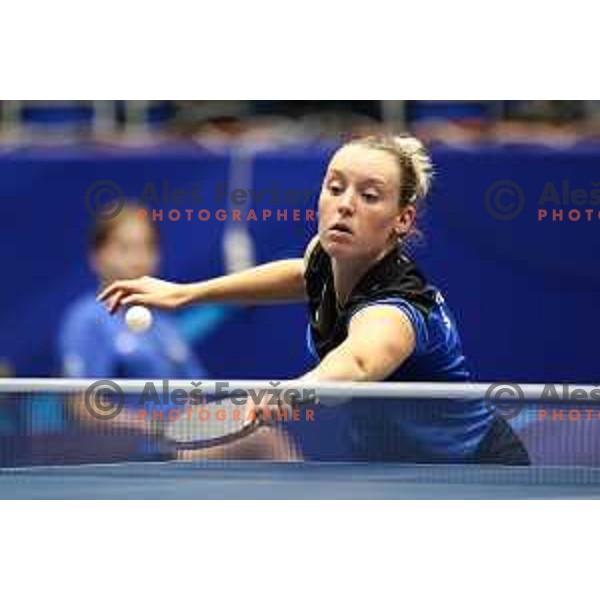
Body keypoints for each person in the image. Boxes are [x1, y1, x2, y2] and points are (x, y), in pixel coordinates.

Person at [98, 136, 529, 464]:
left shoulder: (396, 311)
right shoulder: (326, 255)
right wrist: (187, 293)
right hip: (390, 465)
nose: (345, 206)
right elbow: (302, 274)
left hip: (472, 469)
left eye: (370, 195)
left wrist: (290, 393)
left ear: (403, 219)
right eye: (335, 187)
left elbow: (358, 364)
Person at [59, 203, 207, 436]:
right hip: (133, 453)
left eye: (148, 247)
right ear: (96, 257)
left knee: (260, 432)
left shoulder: (164, 322)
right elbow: (83, 406)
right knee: (264, 441)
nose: (139, 258)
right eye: (125, 248)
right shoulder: (87, 320)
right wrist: (158, 430)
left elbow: (196, 392)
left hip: (185, 446)